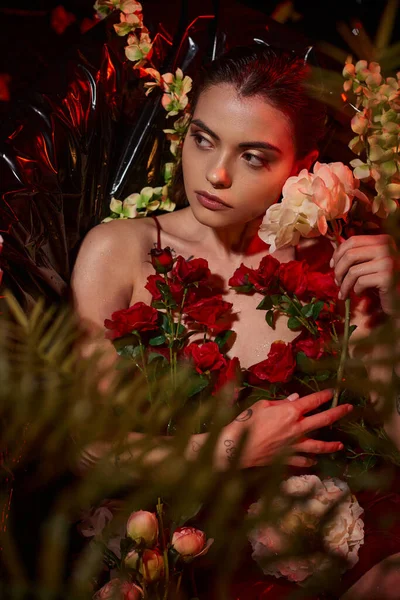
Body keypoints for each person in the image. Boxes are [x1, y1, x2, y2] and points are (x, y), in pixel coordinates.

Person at [70, 44, 399, 597]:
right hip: (185, 545)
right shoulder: (120, 251)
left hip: (316, 536)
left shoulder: (336, 261)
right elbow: (85, 448)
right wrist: (230, 450)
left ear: (302, 167)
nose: (215, 173)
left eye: (253, 156)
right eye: (202, 139)